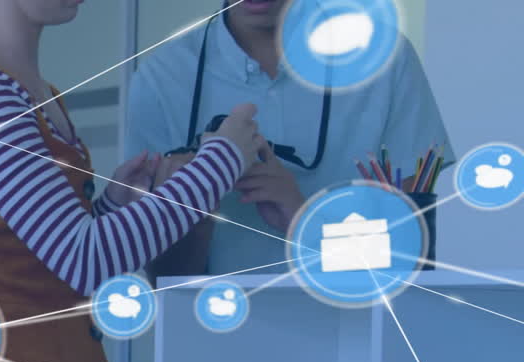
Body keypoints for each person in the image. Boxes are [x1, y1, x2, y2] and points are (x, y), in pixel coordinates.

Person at [0, 0, 261, 362]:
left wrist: (112, 206)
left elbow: (49, 263)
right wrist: (223, 161)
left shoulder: (35, 95)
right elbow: (83, 260)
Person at [127, 0, 453, 279]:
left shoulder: (385, 60)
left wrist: (303, 220)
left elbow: (411, 261)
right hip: (217, 338)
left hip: (360, 334)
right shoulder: (161, 77)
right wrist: (198, 197)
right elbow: (165, 280)